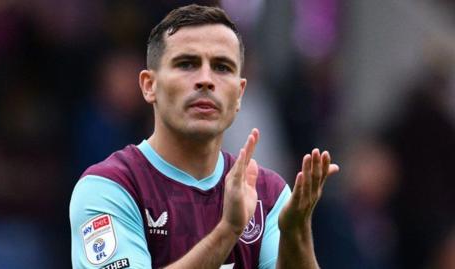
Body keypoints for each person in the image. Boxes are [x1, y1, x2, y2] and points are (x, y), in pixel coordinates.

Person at [69, 4, 339, 269]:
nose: (206, 80)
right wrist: (228, 231)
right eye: (187, 64)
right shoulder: (109, 187)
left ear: (239, 94)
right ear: (149, 86)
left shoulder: (266, 193)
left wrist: (296, 232)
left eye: (222, 67)